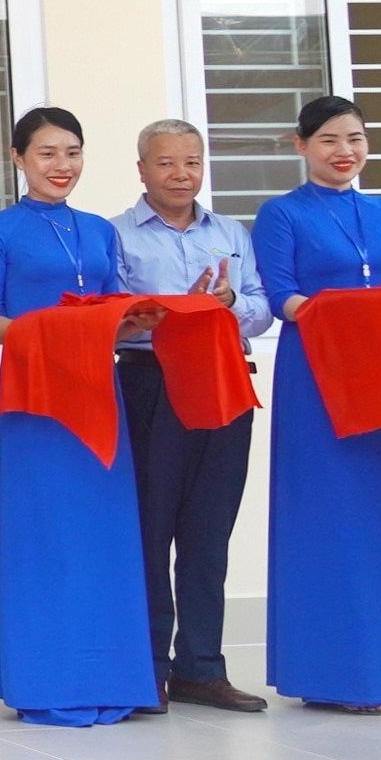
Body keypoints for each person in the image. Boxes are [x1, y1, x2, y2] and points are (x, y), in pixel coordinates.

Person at [0, 109, 157, 727]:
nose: (63, 166)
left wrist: (131, 321)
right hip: (36, 394)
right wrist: (52, 332)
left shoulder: (100, 231)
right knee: (45, 535)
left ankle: (113, 675)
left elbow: (110, 308)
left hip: (99, 386)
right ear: (18, 158)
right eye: (48, 153)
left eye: (72, 152)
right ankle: (46, 676)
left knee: (102, 535)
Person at [254, 96, 381, 713]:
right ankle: (344, 676)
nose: (345, 152)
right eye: (330, 140)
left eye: (356, 139)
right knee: (331, 518)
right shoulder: (281, 214)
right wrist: (357, 314)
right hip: (321, 379)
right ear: (301, 145)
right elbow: (285, 299)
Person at [112, 118, 273, 713]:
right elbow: (112, 312)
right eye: (166, 162)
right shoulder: (118, 236)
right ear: (141, 169)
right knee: (152, 530)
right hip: (152, 384)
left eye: (192, 162)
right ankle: (148, 668)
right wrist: (159, 315)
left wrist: (227, 303)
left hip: (225, 383)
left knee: (210, 533)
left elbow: (261, 309)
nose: (181, 174)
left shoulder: (231, 231)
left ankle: (202, 667)